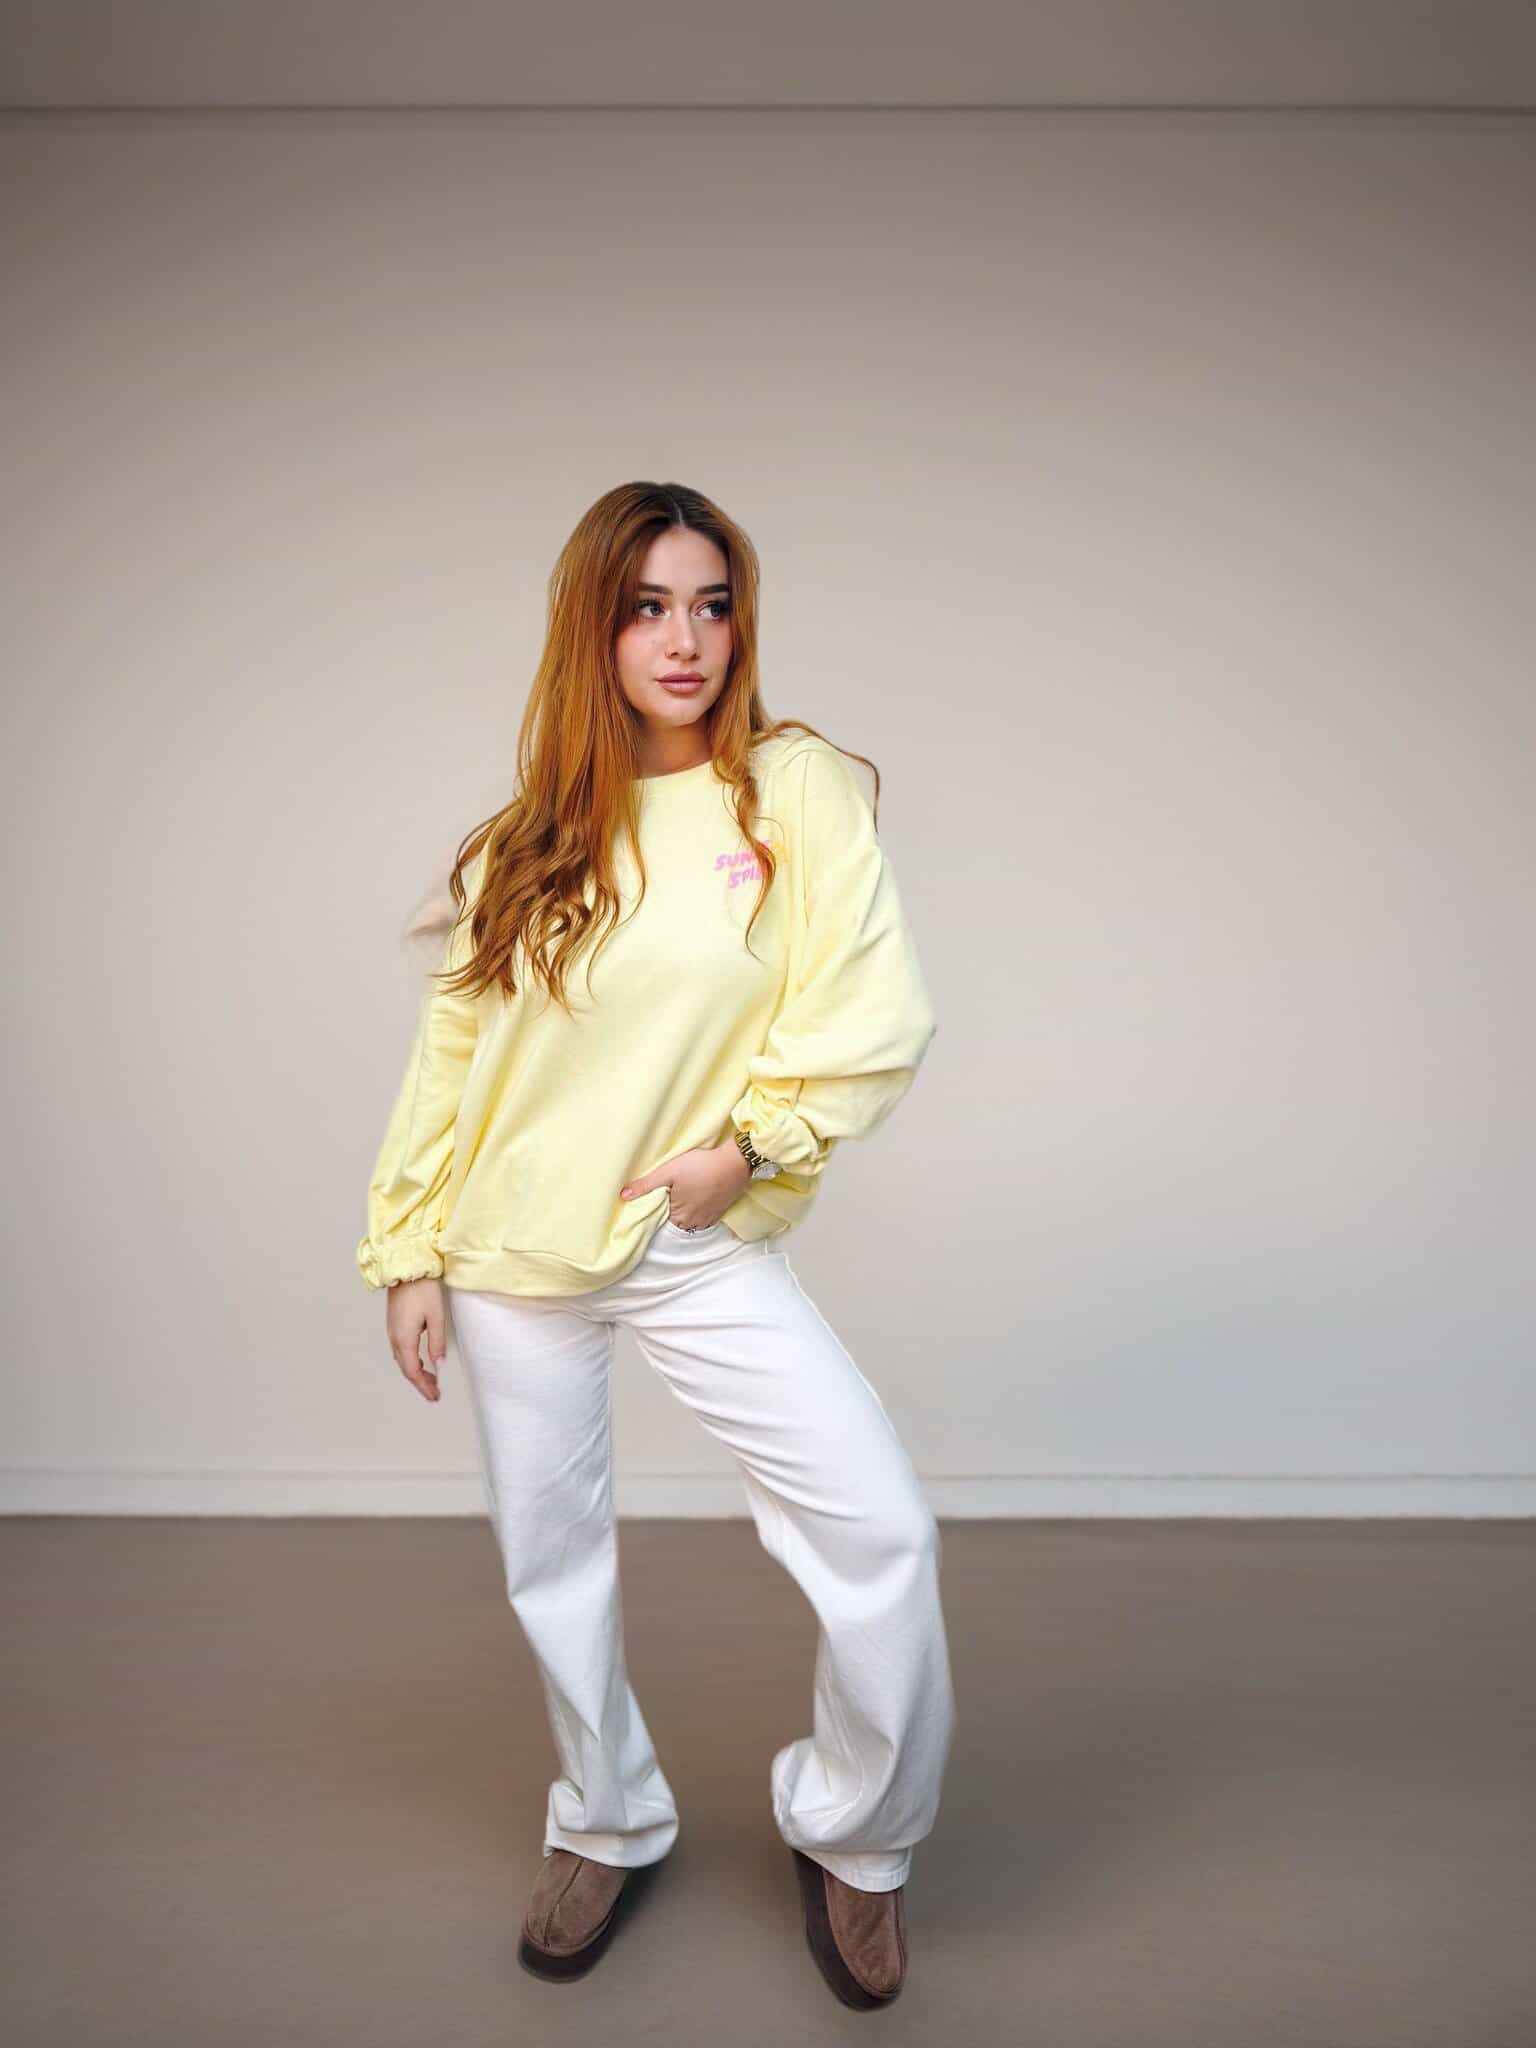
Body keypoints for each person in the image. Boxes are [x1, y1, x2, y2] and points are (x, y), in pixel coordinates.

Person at [355, 481, 956, 2008]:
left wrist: (748, 1150)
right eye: (646, 608)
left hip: (690, 1235)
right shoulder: (530, 840)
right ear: (596, 631)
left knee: (880, 1530)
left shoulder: (791, 789)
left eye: (710, 604)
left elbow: (871, 1009)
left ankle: (858, 1837)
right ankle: (605, 1819)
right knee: (553, 1563)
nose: (683, 639)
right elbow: (453, 1054)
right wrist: (408, 1247)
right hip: (509, 1254)